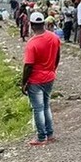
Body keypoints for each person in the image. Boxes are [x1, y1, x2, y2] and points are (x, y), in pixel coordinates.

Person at [21, 12, 61, 146]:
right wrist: (52, 69)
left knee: (38, 108)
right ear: (43, 23)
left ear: (31, 25)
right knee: (46, 106)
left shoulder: (32, 44)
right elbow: (57, 55)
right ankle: (49, 134)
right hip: (49, 77)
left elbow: (28, 66)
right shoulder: (54, 38)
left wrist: (23, 82)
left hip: (36, 80)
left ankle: (41, 137)